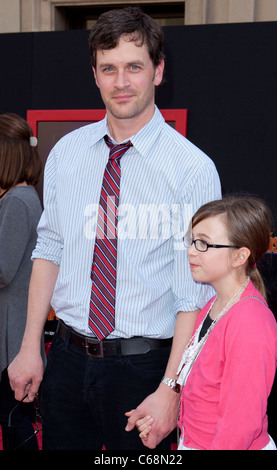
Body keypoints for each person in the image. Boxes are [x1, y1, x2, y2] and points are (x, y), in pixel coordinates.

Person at [8, 7, 221, 450]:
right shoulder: (67, 152)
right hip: (66, 359)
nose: (121, 81)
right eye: (109, 68)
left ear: (158, 71)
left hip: (145, 368)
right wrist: (31, 348)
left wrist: (171, 390)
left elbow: (193, 295)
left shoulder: (192, 169)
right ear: (95, 75)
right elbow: (49, 248)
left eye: (134, 67)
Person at [135, 195, 277, 450]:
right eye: (191, 241)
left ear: (239, 256)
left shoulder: (249, 321)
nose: (191, 251)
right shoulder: (213, 305)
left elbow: (241, 425)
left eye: (203, 244)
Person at [0, 113, 43, 450]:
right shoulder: (20, 198)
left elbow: (3, 270)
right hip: (12, 335)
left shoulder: (17, 200)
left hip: (9, 338)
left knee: (15, 421)